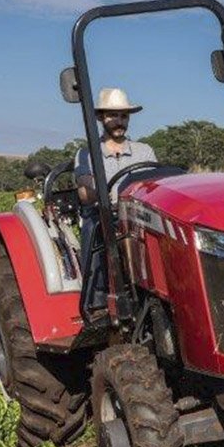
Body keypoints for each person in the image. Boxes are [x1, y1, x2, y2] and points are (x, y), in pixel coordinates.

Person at [73, 87, 157, 310]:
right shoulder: (87, 154)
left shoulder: (144, 151)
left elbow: (155, 187)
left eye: (123, 116)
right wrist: (94, 191)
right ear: (101, 117)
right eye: (113, 115)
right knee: (96, 223)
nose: (119, 121)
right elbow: (84, 193)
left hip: (138, 216)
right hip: (105, 214)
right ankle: (98, 296)